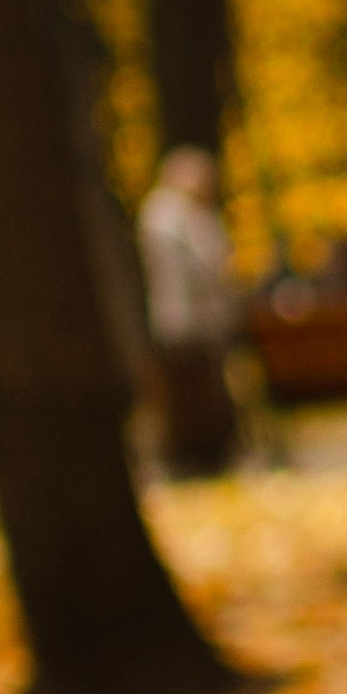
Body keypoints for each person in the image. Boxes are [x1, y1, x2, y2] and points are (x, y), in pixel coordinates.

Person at [136, 146, 241, 478]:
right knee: (190, 391)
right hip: (187, 319)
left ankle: (204, 451)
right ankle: (193, 455)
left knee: (199, 390)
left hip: (191, 318)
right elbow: (202, 265)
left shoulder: (180, 214)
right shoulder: (171, 215)